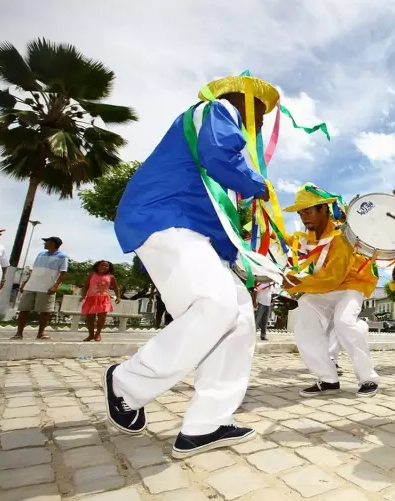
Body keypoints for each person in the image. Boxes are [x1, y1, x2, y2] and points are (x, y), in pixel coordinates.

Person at [105, 74, 280, 458]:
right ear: (243, 101)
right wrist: (257, 183)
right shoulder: (215, 110)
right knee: (214, 303)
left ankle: (207, 424)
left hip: (196, 232)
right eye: (261, 114)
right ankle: (127, 384)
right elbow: (220, 155)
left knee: (238, 321)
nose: (262, 124)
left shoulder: (216, 121)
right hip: (166, 217)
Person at [283, 184, 380, 398]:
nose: (303, 216)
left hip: (351, 284)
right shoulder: (307, 239)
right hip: (324, 289)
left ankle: (367, 378)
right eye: (300, 212)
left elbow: (332, 278)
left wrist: (296, 284)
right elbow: (288, 241)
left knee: (344, 322)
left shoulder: (342, 237)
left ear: (324, 209)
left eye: (308, 211)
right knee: (305, 315)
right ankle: (327, 378)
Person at [11, 237, 68, 340]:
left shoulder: (62, 256)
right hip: (31, 286)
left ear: (52, 243)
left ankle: (41, 333)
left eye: (46, 242)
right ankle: (19, 333)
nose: (44, 244)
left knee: (45, 311)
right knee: (23, 309)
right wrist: (25, 283)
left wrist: (55, 286)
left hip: (47, 287)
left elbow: (63, 273)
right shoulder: (41, 254)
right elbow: (34, 270)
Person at [80, 260, 122, 342]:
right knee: (90, 318)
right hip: (91, 298)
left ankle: (98, 333)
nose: (104, 267)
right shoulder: (91, 275)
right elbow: (85, 286)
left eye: (106, 266)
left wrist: (118, 297)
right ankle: (91, 335)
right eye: (102, 265)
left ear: (109, 268)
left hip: (104, 299)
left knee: (102, 318)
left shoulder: (111, 277)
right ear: (97, 266)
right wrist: (83, 295)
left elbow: (116, 288)